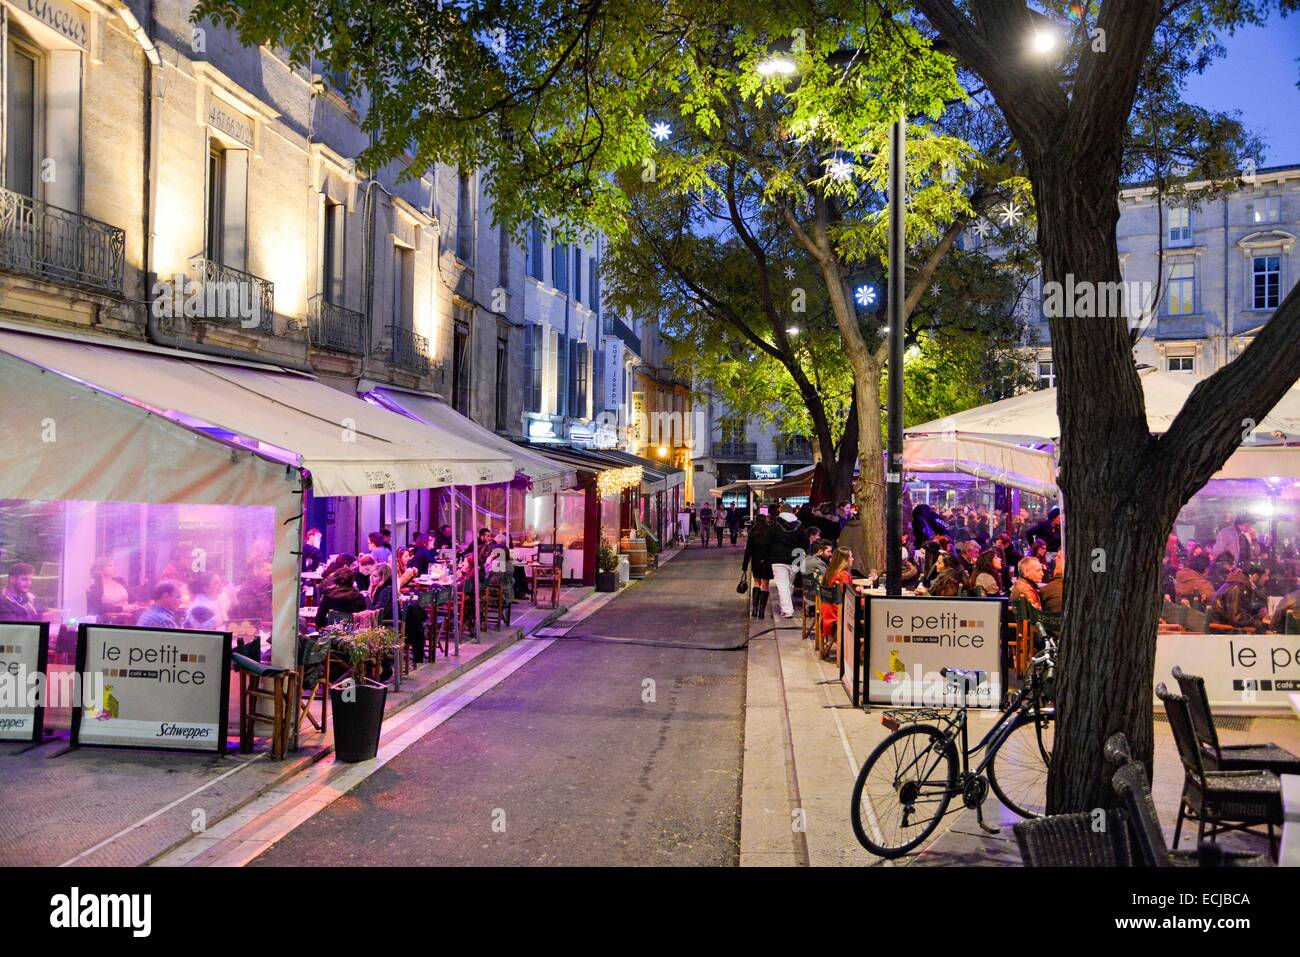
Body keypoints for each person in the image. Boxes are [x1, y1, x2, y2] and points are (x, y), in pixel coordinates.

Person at [766, 510, 807, 622]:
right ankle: (785, 608)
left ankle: (787, 610)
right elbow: (805, 543)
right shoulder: (799, 527)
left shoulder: (775, 526)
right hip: (795, 559)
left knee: (783, 585)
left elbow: (766, 541)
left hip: (777, 559)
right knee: (789, 584)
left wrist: (769, 555)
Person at [819, 547, 854, 655]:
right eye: (851, 557)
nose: (853, 559)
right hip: (838, 614)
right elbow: (848, 598)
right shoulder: (843, 575)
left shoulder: (830, 573)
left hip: (827, 612)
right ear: (845, 560)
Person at [1209, 564, 1264, 631]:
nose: (1267, 579)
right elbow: (1237, 618)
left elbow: (1240, 610)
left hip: (1223, 624)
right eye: (1265, 576)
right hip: (1221, 628)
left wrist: (1257, 614)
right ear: (1255, 576)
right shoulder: (1238, 588)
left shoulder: (1242, 585)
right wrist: (1256, 623)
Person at [742, 513, 773, 618]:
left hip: (755, 561)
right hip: (767, 561)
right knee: (765, 584)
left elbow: (748, 551)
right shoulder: (769, 532)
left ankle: (754, 609)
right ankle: (761, 611)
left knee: (756, 582)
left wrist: (745, 565)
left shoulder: (752, 532)